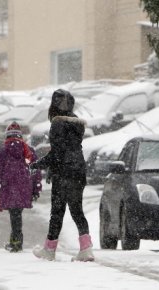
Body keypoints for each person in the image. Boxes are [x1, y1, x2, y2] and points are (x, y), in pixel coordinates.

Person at [30, 89, 94, 262]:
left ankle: (49, 250)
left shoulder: (58, 123)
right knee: (77, 210)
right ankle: (86, 249)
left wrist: (37, 165)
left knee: (57, 213)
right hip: (78, 170)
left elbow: (57, 153)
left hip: (64, 173)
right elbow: (69, 149)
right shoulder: (78, 124)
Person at [0, 121, 42, 252]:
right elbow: (35, 170)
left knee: (14, 214)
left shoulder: (3, 151)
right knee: (17, 213)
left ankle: (16, 242)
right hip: (24, 187)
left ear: (7, 136)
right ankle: (16, 240)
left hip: (8, 187)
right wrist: (36, 188)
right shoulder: (28, 151)